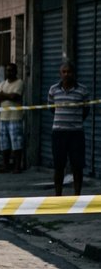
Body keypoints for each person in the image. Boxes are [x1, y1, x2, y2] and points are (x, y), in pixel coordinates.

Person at [48, 63, 90, 196]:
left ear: (74, 73)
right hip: (59, 133)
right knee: (58, 166)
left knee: (77, 166)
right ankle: (58, 196)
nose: (66, 74)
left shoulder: (82, 90)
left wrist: (75, 121)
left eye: (69, 72)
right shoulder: (53, 90)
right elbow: (51, 108)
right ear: (60, 74)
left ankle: (77, 195)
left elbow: (86, 110)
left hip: (76, 133)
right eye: (64, 72)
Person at [0, 63, 25, 173]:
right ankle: (5, 165)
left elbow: (15, 96)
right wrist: (7, 95)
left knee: (16, 142)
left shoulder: (19, 83)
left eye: (11, 70)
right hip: (3, 117)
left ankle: (17, 166)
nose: (9, 72)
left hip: (15, 117)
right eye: (7, 70)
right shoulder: (3, 83)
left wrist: (4, 95)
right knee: (4, 143)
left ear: (16, 71)